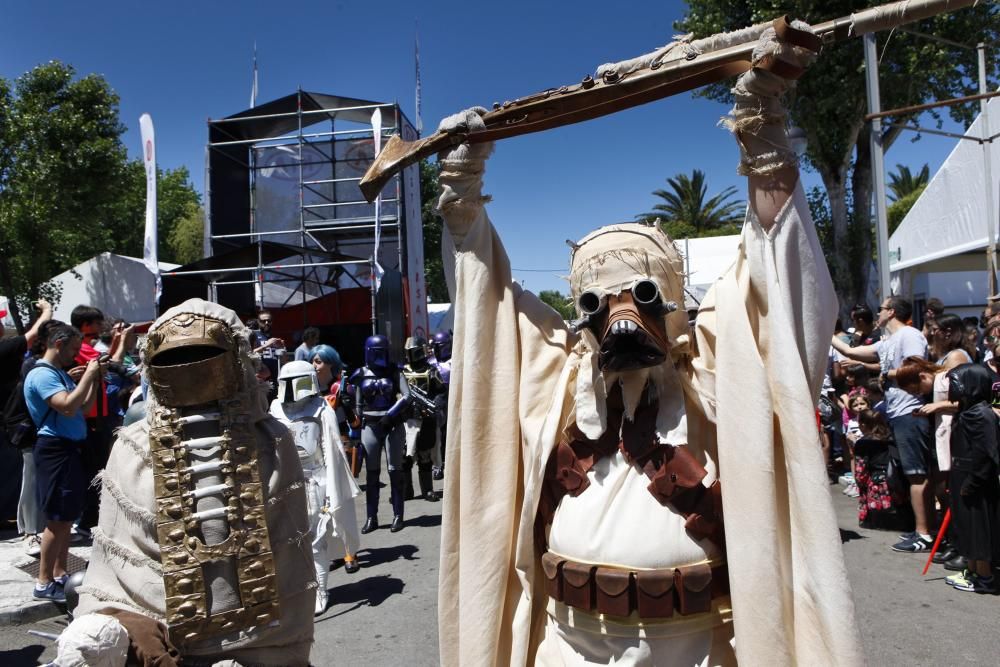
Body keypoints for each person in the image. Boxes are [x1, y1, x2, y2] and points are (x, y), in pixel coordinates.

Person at [433, 21, 861, 666]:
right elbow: (485, 308)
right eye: (596, 302)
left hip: (695, 645)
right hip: (569, 643)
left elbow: (780, 271)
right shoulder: (551, 377)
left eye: (643, 295)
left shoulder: (723, 363)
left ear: (675, 303)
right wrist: (462, 193)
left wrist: (763, 124)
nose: (622, 316)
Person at [67, 298, 314, 665]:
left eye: (203, 354)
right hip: (165, 638)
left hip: (267, 639)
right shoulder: (133, 446)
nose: (189, 368)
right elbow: (119, 554)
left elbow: (288, 548)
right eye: (171, 358)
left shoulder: (271, 438)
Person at [832, 296, 935, 553]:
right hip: (896, 413)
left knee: (917, 474)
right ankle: (917, 527)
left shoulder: (909, 335)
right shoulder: (887, 341)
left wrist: (884, 374)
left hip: (910, 412)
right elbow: (850, 351)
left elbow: (916, 368)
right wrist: (825, 331)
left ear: (891, 312)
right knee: (906, 473)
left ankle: (925, 533)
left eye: (880, 309)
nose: (876, 314)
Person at [270, 361, 361, 615]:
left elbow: (331, 451)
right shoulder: (276, 407)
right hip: (285, 482)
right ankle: (298, 590)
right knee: (288, 542)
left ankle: (320, 589)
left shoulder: (321, 407)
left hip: (315, 480)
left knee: (316, 540)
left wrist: (332, 491)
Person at [24, 323, 103, 601]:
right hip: (55, 450)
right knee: (57, 519)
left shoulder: (59, 373)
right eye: (71, 349)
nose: (74, 355)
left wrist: (90, 380)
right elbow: (67, 405)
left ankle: (59, 574)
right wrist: (87, 377)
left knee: (67, 517)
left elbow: (82, 407)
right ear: (58, 343)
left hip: (70, 449)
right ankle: (43, 583)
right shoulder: (42, 375)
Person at [942, 363, 1000, 594]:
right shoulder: (969, 410)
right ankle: (973, 570)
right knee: (966, 527)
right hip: (962, 475)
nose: (952, 389)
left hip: (975, 480)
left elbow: (986, 454)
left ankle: (984, 577)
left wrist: (973, 482)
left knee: (978, 529)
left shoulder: (981, 414)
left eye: (956, 383)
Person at [350, 335, 410, 533]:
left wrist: (391, 416)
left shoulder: (394, 371)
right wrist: (355, 431)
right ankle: (371, 517)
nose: (379, 356)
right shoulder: (360, 373)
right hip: (370, 424)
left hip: (391, 423)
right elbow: (358, 405)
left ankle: (398, 515)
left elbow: (406, 396)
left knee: (395, 470)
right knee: (372, 473)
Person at [853, 409, 913, 532]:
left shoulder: (863, 443)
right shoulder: (891, 438)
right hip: (897, 478)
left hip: (877, 483)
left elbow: (861, 469)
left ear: (863, 425)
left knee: (869, 485)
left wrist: (859, 483)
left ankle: (874, 519)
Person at [400, 336, 444, 502]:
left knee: (425, 455)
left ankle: (427, 490)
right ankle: (406, 490)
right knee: (404, 457)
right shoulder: (402, 371)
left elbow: (441, 392)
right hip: (407, 418)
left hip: (426, 418)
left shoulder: (431, 371)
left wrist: (433, 406)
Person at [428, 330, 452, 479]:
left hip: (454, 400)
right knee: (437, 436)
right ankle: (438, 465)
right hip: (437, 401)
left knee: (451, 434)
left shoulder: (457, 360)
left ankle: (449, 464)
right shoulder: (430, 362)